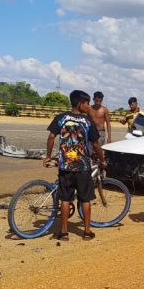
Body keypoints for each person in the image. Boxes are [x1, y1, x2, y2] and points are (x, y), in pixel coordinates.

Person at [43, 90, 106, 241]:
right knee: (85, 199)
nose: (88, 106)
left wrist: (48, 156)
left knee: (65, 199)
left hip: (65, 167)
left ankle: (64, 233)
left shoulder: (61, 118)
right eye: (86, 103)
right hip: (83, 167)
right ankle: (87, 231)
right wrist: (102, 159)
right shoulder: (87, 121)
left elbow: (51, 137)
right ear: (79, 104)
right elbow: (96, 144)